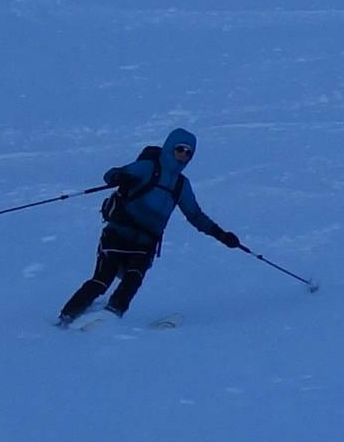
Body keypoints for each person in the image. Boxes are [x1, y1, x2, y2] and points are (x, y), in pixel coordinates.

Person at [61, 126, 243, 323]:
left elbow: (195, 215)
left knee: (133, 279)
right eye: (180, 149)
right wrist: (119, 177)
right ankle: (67, 317)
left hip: (145, 242)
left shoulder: (181, 185)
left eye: (188, 153)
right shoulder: (148, 168)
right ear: (170, 148)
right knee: (101, 280)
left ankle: (111, 316)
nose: (183, 155)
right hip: (118, 234)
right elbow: (110, 175)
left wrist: (221, 235)